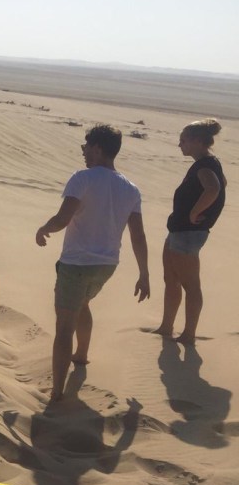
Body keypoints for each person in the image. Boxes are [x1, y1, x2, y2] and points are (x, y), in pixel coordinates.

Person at [36, 124, 150, 402]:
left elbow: (63, 218)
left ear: (98, 149)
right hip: (106, 265)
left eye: (86, 147)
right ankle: (82, 354)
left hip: (76, 264)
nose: (83, 152)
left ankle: (57, 392)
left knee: (64, 326)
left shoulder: (82, 178)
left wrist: (44, 228)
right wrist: (144, 273)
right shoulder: (131, 189)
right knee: (83, 304)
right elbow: (138, 235)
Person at [153, 118, 227, 346]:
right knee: (171, 279)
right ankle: (166, 326)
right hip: (179, 230)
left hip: (188, 233)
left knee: (190, 286)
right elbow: (223, 183)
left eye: (183, 140)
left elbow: (214, 188)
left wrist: (196, 212)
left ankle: (189, 334)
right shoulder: (206, 164)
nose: (180, 144)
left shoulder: (205, 165)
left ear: (197, 141)